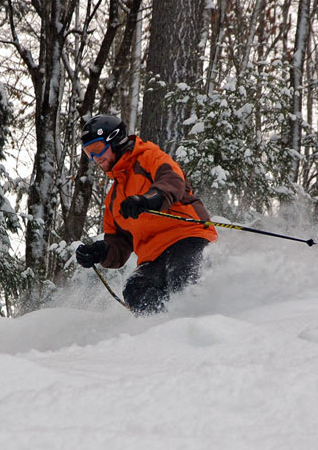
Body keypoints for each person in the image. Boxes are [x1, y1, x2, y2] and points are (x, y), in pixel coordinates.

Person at [75, 114, 217, 315]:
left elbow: (173, 180)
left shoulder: (148, 157)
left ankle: (201, 323)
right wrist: (100, 252)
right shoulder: (113, 198)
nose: (95, 158)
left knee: (181, 276)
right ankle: (163, 331)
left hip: (187, 236)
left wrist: (147, 200)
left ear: (115, 140)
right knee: (135, 290)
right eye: (89, 153)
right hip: (153, 257)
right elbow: (119, 245)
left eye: (97, 149)